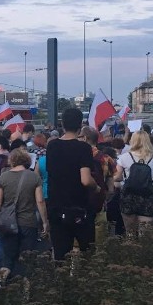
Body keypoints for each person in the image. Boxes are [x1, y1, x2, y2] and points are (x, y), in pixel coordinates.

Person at [0, 148, 48, 288]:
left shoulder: (4, 177)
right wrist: (45, 222)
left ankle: (1, 283)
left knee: (8, 257)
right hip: (28, 222)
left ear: (12, 160)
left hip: (9, 223)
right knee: (28, 258)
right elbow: (40, 201)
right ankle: (26, 290)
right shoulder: (34, 177)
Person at [45, 108, 98, 259]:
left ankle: (62, 282)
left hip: (56, 206)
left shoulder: (52, 146)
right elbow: (86, 179)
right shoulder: (84, 148)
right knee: (88, 253)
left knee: (61, 256)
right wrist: (97, 187)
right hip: (79, 207)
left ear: (62, 124)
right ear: (80, 125)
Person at [113, 130, 153, 237]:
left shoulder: (124, 157)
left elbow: (117, 177)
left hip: (128, 196)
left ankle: (130, 251)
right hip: (147, 197)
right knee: (144, 234)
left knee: (130, 232)